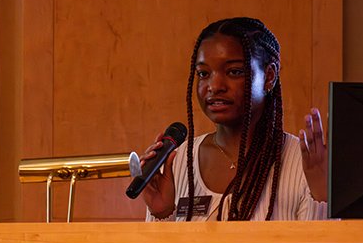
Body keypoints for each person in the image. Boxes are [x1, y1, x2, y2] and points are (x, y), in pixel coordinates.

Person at [139, 17, 328, 221]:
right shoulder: (179, 161)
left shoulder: (303, 164)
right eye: (203, 73)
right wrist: (162, 213)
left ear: (269, 76)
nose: (215, 86)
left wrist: (322, 196)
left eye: (234, 72)